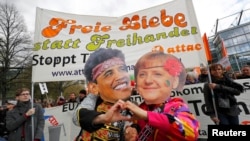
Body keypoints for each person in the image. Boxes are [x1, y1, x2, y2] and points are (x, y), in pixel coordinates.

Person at [124, 51, 200, 141]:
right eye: (142, 74)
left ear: (174, 81)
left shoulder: (176, 107)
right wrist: (132, 131)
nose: (148, 80)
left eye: (157, 74)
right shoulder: (142, 107)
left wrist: (147, 116)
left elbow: (190, 133)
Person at [73, 48, 132, 141]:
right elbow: (77, 117)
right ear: (94, 87)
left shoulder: (131, 103)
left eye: (122, 69)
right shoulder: (93, 98)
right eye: (109, 73)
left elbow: (136, 120)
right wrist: (102, 118)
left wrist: (132, 129)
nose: (121, 76)